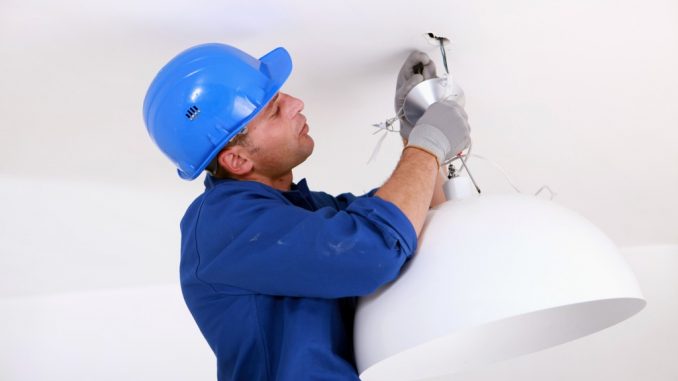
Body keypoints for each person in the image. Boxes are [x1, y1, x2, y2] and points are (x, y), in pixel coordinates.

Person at [142, 43, 470, 381]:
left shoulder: (303, 211)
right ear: (236, 160)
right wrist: (426, 145)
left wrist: (416, 138)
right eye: (274, 109)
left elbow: (413, 223)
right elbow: (377, 248)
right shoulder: (222, 224)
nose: (296, 104)